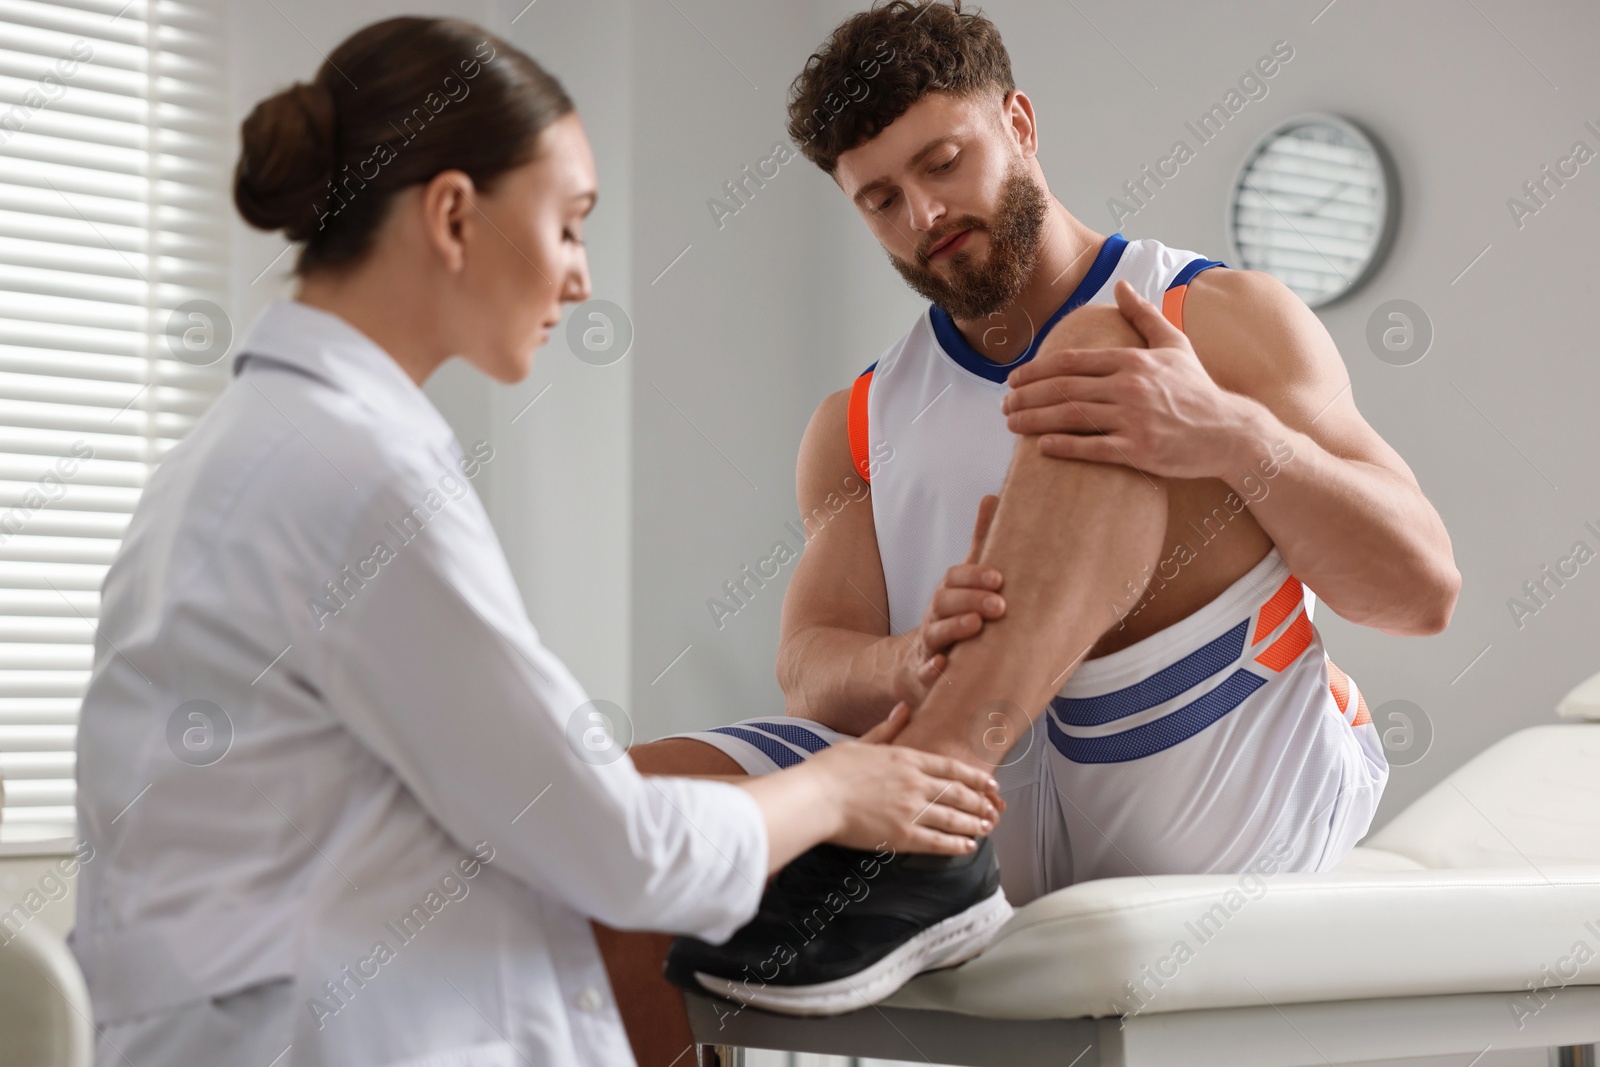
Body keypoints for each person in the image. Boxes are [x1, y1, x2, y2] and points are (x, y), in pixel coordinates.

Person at [67, 17, 1003, 1067]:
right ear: (454, 215)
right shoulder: (358, 477)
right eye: (569, 225)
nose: (581, 280)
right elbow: (620, 849)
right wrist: (840, 788)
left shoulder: (226, 458)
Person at [605, 0, 1460, 1034]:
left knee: (1103, 349)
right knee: (615, 818)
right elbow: (810, 667)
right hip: (983, 820)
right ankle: (931, 813)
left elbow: (1421, 591)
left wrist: (1230, 434)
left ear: (1018, 124)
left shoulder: (1206, 315)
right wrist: (909, 654)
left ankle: (926, 811)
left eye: (944, 162)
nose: (921, 213)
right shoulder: (860, 418)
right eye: (879, 197)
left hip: (1201, 764)